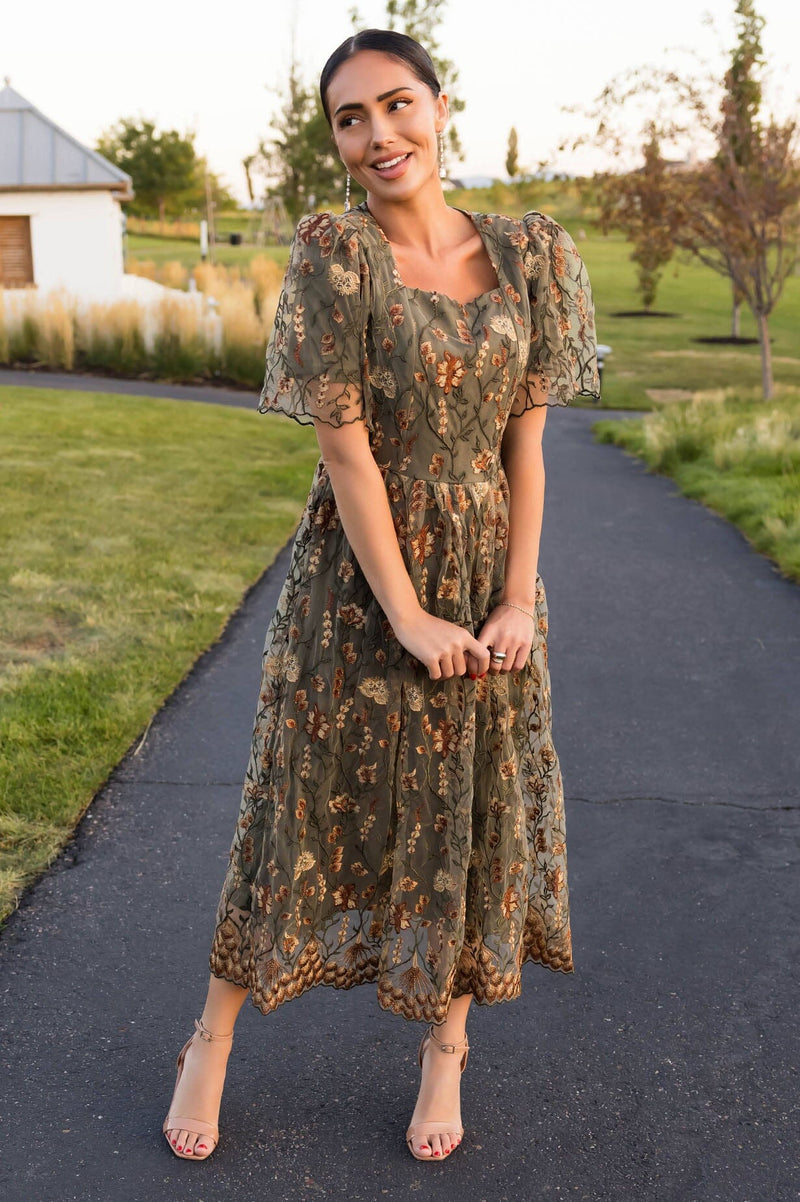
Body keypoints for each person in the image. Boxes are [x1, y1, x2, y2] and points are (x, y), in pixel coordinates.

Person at [163, 26, 600, 1165]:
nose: (377, 135)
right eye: (349, 119)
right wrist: (406, 614)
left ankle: (445, 1054)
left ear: (439, 107)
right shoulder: (335, 254)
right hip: (358, 581)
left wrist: (516, 601)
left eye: (396, 103)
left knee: (466, 810)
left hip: (487, 574)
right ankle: (210, 1038)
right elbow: (346, 455)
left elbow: (525, 450)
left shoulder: (532, 254)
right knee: (296, 805)